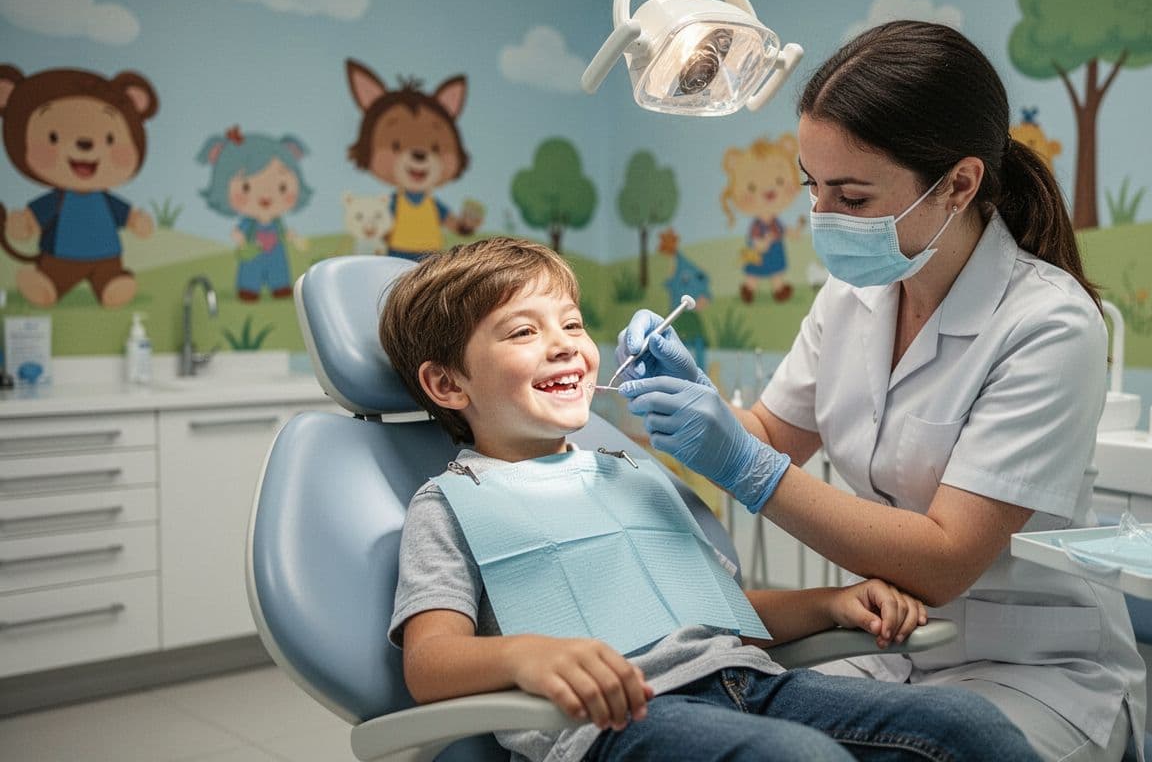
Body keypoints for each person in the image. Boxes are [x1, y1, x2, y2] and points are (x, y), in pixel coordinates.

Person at [616, 21, 1147, 762]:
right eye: (812, 186)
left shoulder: (1049, 324)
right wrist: (690, 395)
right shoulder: (853, 297)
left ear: (958, 184)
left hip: (1030, 669)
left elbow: (944, 559)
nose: (822, 217)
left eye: (853, 196)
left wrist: (742, 464)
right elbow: (771, 431)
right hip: (883, 644)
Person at [377, 237, 1040, 762]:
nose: (564, 345)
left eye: (572, 324)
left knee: (965, 724)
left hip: (750, 684)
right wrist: (528, 655)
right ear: (446, 382)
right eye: (523, 332)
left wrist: (831, 602)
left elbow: (715, 610)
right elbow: (431, 664)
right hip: (617, 725)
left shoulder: (628, 469)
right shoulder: (451, 502)